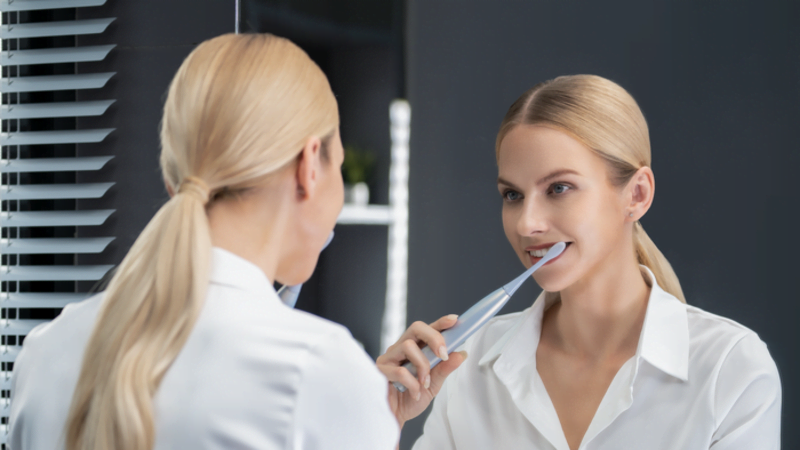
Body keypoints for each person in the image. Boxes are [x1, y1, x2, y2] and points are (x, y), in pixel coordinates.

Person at [8, 33, 403, 450]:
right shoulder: (322, 371)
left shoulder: (45, 351)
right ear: (309, 167)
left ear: (171, 178)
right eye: (338, 165)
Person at [378, 75, 781, 449]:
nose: (527, 224)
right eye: (512, 195)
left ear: (636, 195)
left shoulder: (730, 370)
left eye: (559, 188)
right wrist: (380, 423)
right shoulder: (465, 367)